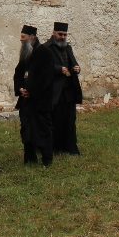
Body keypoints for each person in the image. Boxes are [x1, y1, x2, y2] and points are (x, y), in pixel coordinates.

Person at [13, 24, 55, 166]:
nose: (22, 41)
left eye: (24, 38)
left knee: (43, 130)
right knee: (26, 129)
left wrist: (31, 91)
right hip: (26, 101)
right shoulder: (25, 53)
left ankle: (46, 159)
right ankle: (30, 159)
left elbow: (46, 79)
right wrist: (20, 89)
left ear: (32, 37)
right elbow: (18, 74)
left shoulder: (45, 53)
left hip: (40, 101)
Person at [45, 21, 82, 155]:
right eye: (60, 34)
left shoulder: (68, 48)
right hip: (55, 92)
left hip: (69, 91)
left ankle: (71, 147)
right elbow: (43, 68)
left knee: (70, 120)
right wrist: (58, 69)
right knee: (56, 121)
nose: (62, 37)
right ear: (54, 33)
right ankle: (56, 148)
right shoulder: (46, 48)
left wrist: (77, 68)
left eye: (65, 35)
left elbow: (73, 63)